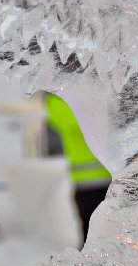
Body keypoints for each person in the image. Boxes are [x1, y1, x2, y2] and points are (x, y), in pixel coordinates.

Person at [45, 93, 111, 245]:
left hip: (109, 181)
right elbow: (76, 123)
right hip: (86, 186)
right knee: (92, 239)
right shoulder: (57, 102)